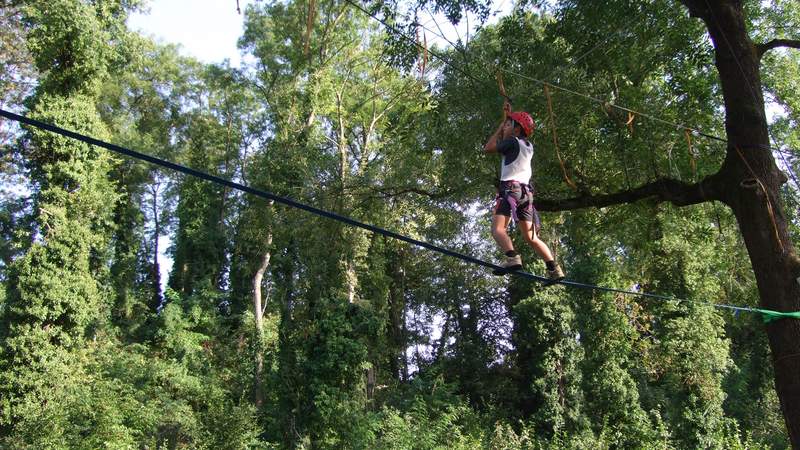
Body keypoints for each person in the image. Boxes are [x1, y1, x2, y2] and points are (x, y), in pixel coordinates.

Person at [483, 100, 564, 280]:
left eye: (508, 125)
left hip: (510, 191)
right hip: (526, 196)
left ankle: (512, 258)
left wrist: (499, 127)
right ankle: (554, 269)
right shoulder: (527, 146)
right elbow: (506, 144)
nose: (505, 127)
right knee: (531, 237)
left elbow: (488, 148)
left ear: (517, 129)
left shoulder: (511, 142)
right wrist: (507, 118)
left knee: (498, 230)